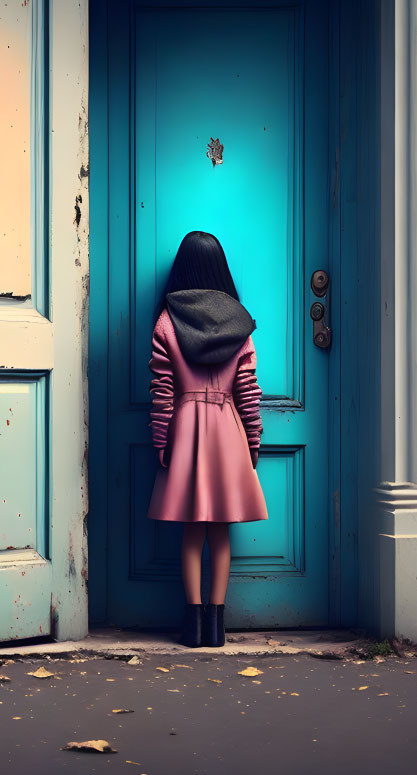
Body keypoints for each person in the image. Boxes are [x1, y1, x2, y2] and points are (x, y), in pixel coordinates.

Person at [147, 231, 268, 648]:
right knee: (221, 532)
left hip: (186, 430)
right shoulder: (241, 322)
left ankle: (192, 625)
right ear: (220, 268)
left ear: (181, 268)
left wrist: (161, 441)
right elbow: (249, 391)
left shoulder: (167, 320)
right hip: (227, 427)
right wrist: (252, 439)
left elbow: (162, 391)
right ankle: (217, 627)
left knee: (191, 533)